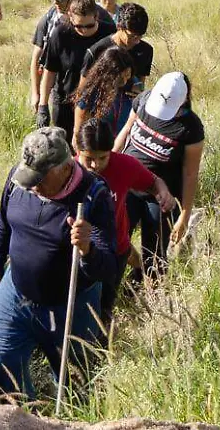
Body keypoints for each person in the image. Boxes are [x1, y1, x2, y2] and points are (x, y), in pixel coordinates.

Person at [0, 127, 120, 403]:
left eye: (40, 177)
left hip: (70, 306)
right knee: (4, 363)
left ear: (65, 167)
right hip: (16, 294)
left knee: (74, 387)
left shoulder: (93, 197)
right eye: (29, 174)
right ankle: (24, 425)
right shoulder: (18, 179)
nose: (32, 184)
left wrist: (87, 248)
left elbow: (107, 268)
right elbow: (2, 223)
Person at [73, 116, 178, 324]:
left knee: (104, 308)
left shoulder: (124, 166)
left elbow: (152, 181)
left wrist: (163, 191)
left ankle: (101, 349)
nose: (96, 165)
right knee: (78, 307)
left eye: (103, 158)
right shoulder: (67, 172)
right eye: (89, 158)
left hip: (115, 251)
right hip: (76, 251)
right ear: (77, 150)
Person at [116, 72, 205, 279]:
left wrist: (184, 214)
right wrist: (109, 163)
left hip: (159, 198)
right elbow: (126, 131)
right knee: (116, 242)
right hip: (127, 187)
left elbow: (190, 174)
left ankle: (149, 294)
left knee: (154, 255)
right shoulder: (145, 100)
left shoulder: (190, 128)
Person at [30, 0, 112, 119]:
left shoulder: (103, 19)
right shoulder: (51, 21)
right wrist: (38, 97)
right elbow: (41, 60)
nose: (56, 2)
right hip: (63, 95)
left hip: (98, 99)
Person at [37, 0, 117, 135]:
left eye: (89, 26)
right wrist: (43, 105)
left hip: (99, 102)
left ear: (96, 16)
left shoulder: (110, 34)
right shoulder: (60, 34)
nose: (84, 31)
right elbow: (49, 72)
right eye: (79, 26)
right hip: (65, 101)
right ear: (70, 17)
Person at [88, 3, 153, 131]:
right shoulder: (98, 50)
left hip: (128, 115)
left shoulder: (146, 51)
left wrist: (138, 94)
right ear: (119, 27)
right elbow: (85, 91)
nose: (137, 41)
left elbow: (140, 83)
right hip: (100, 113)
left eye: (140, 36)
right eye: (132, 36)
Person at [69, 44, 133, 136]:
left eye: (128, 74)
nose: (126, 78)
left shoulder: (132, 86)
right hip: (99, 144)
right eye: (123, 74)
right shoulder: (92, 93)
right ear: (109, 73)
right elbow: (80, 125)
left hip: (122, 143)